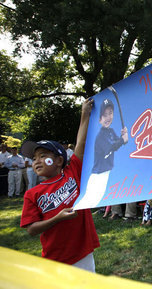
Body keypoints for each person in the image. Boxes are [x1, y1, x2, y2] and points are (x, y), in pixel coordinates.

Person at [19, 99, 100, 272]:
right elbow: (32, 229)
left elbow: (81, 145)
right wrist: (57, 218)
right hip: (55, 259)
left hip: (83, 252)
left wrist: (85, 114)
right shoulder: (32, 194)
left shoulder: (72, 173)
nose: (37, 161)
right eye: (34, 159)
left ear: (59, 161)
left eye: (43, 155)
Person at [74, 98, 128, 210]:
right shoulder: (100, 136)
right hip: (98, 173)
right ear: (99, 119)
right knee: (90, 199)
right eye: (104, 115)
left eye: (110, 113)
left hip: (107, 170)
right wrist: (122, 140)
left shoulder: (111, 131)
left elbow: (116, 143)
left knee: (101, 196)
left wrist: (123, 137)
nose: (108, 117)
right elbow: (110, 147)